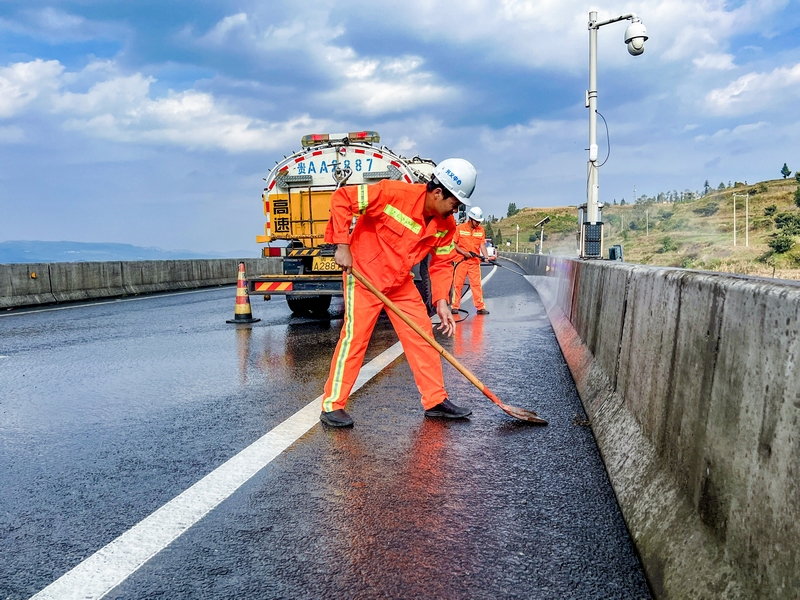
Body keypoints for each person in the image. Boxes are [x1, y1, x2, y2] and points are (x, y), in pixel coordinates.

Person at [319, 158, 478, 427]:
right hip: (365, 276)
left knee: (422, 335)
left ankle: (435, 400)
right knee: (355, 338)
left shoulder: (446, 225)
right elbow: (342, 198)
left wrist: (441, 300)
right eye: (455, 204)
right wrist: (342, 245)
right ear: (438, 193)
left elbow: (441, 263)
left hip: (400, 282)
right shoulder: (392, 193)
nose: (456, 210)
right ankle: (332, 405)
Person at [451, 206, 490, 315]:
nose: (478, 223)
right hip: (461, 261)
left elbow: (482, 245)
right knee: (458, 284)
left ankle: (480, 307)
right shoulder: (460, 228)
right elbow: (453, 243)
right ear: (471, 219)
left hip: (474, 262)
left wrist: (486, 256)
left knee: (476, 285)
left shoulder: (481, 230)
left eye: (479, 221)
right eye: (476, 221)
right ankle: (455, 306)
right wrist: (464, 253)